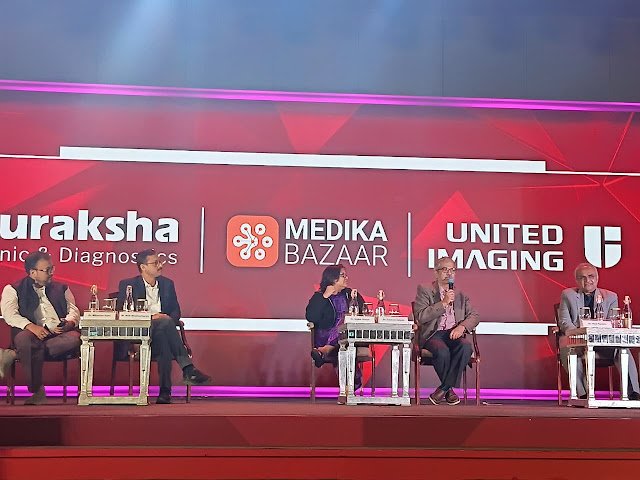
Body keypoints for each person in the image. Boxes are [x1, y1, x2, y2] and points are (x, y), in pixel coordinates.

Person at [116, 249, 211, 404]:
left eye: (160, 262)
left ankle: (165, 394)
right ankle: (187, 370)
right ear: (143, 267)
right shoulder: (128, 285)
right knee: (165, 323)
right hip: (140, 333)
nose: (160, 266)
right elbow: (123, 312)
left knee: (164, 340)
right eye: (155, 263)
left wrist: (165, 320)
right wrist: (153, 317)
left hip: (161, 334)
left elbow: (176, 312)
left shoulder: (167, 284)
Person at [0, 251, 81, 405]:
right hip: (29, 333)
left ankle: (14, 354)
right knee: (25, 340)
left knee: (75, 338)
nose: (51, 273)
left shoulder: (62, 288)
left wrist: (69, 323)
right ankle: (37, 391)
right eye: (47, 270)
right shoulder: (12, 289)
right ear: (33, 273)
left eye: (52, 268)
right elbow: (10, 315)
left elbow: (73, 311)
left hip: (57, 335)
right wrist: (32, 327)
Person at [557, 262, 640, 400]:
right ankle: (583, 394)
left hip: (602, 343)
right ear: (576, 280)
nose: (587, 281)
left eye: (591, 276)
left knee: (623, 349)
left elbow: (613, 322)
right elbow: (565, 322)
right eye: (582, 277)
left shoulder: (610, 296)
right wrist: (581, 336)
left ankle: (632, 392)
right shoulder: (568, 295)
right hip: (578, 341)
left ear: (597, 278)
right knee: (568, 351)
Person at [412, 256, 479, 405]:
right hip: (433, 335)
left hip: (453, 333)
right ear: (436, 272)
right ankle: (448, 390)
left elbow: (474, 316)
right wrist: (443, 303)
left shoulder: (461, 295)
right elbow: (421, 316)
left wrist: (462, 327)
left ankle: (443, 389)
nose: (449, 273)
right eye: (445, 269)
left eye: (452, 270)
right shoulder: (425, 290)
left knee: (466, 347)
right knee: (442, 351)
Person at [305, 264, 365, 386]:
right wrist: (324, 297)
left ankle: (324, 351)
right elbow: (311, 317)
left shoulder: (350, 294)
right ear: (333, 278)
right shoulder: (319, 296)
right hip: (325, 335)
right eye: (343, 275)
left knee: (344, 337)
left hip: (349, 334)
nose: (346, 278)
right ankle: (351, 383)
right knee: (343, 346)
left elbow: (364, 312)